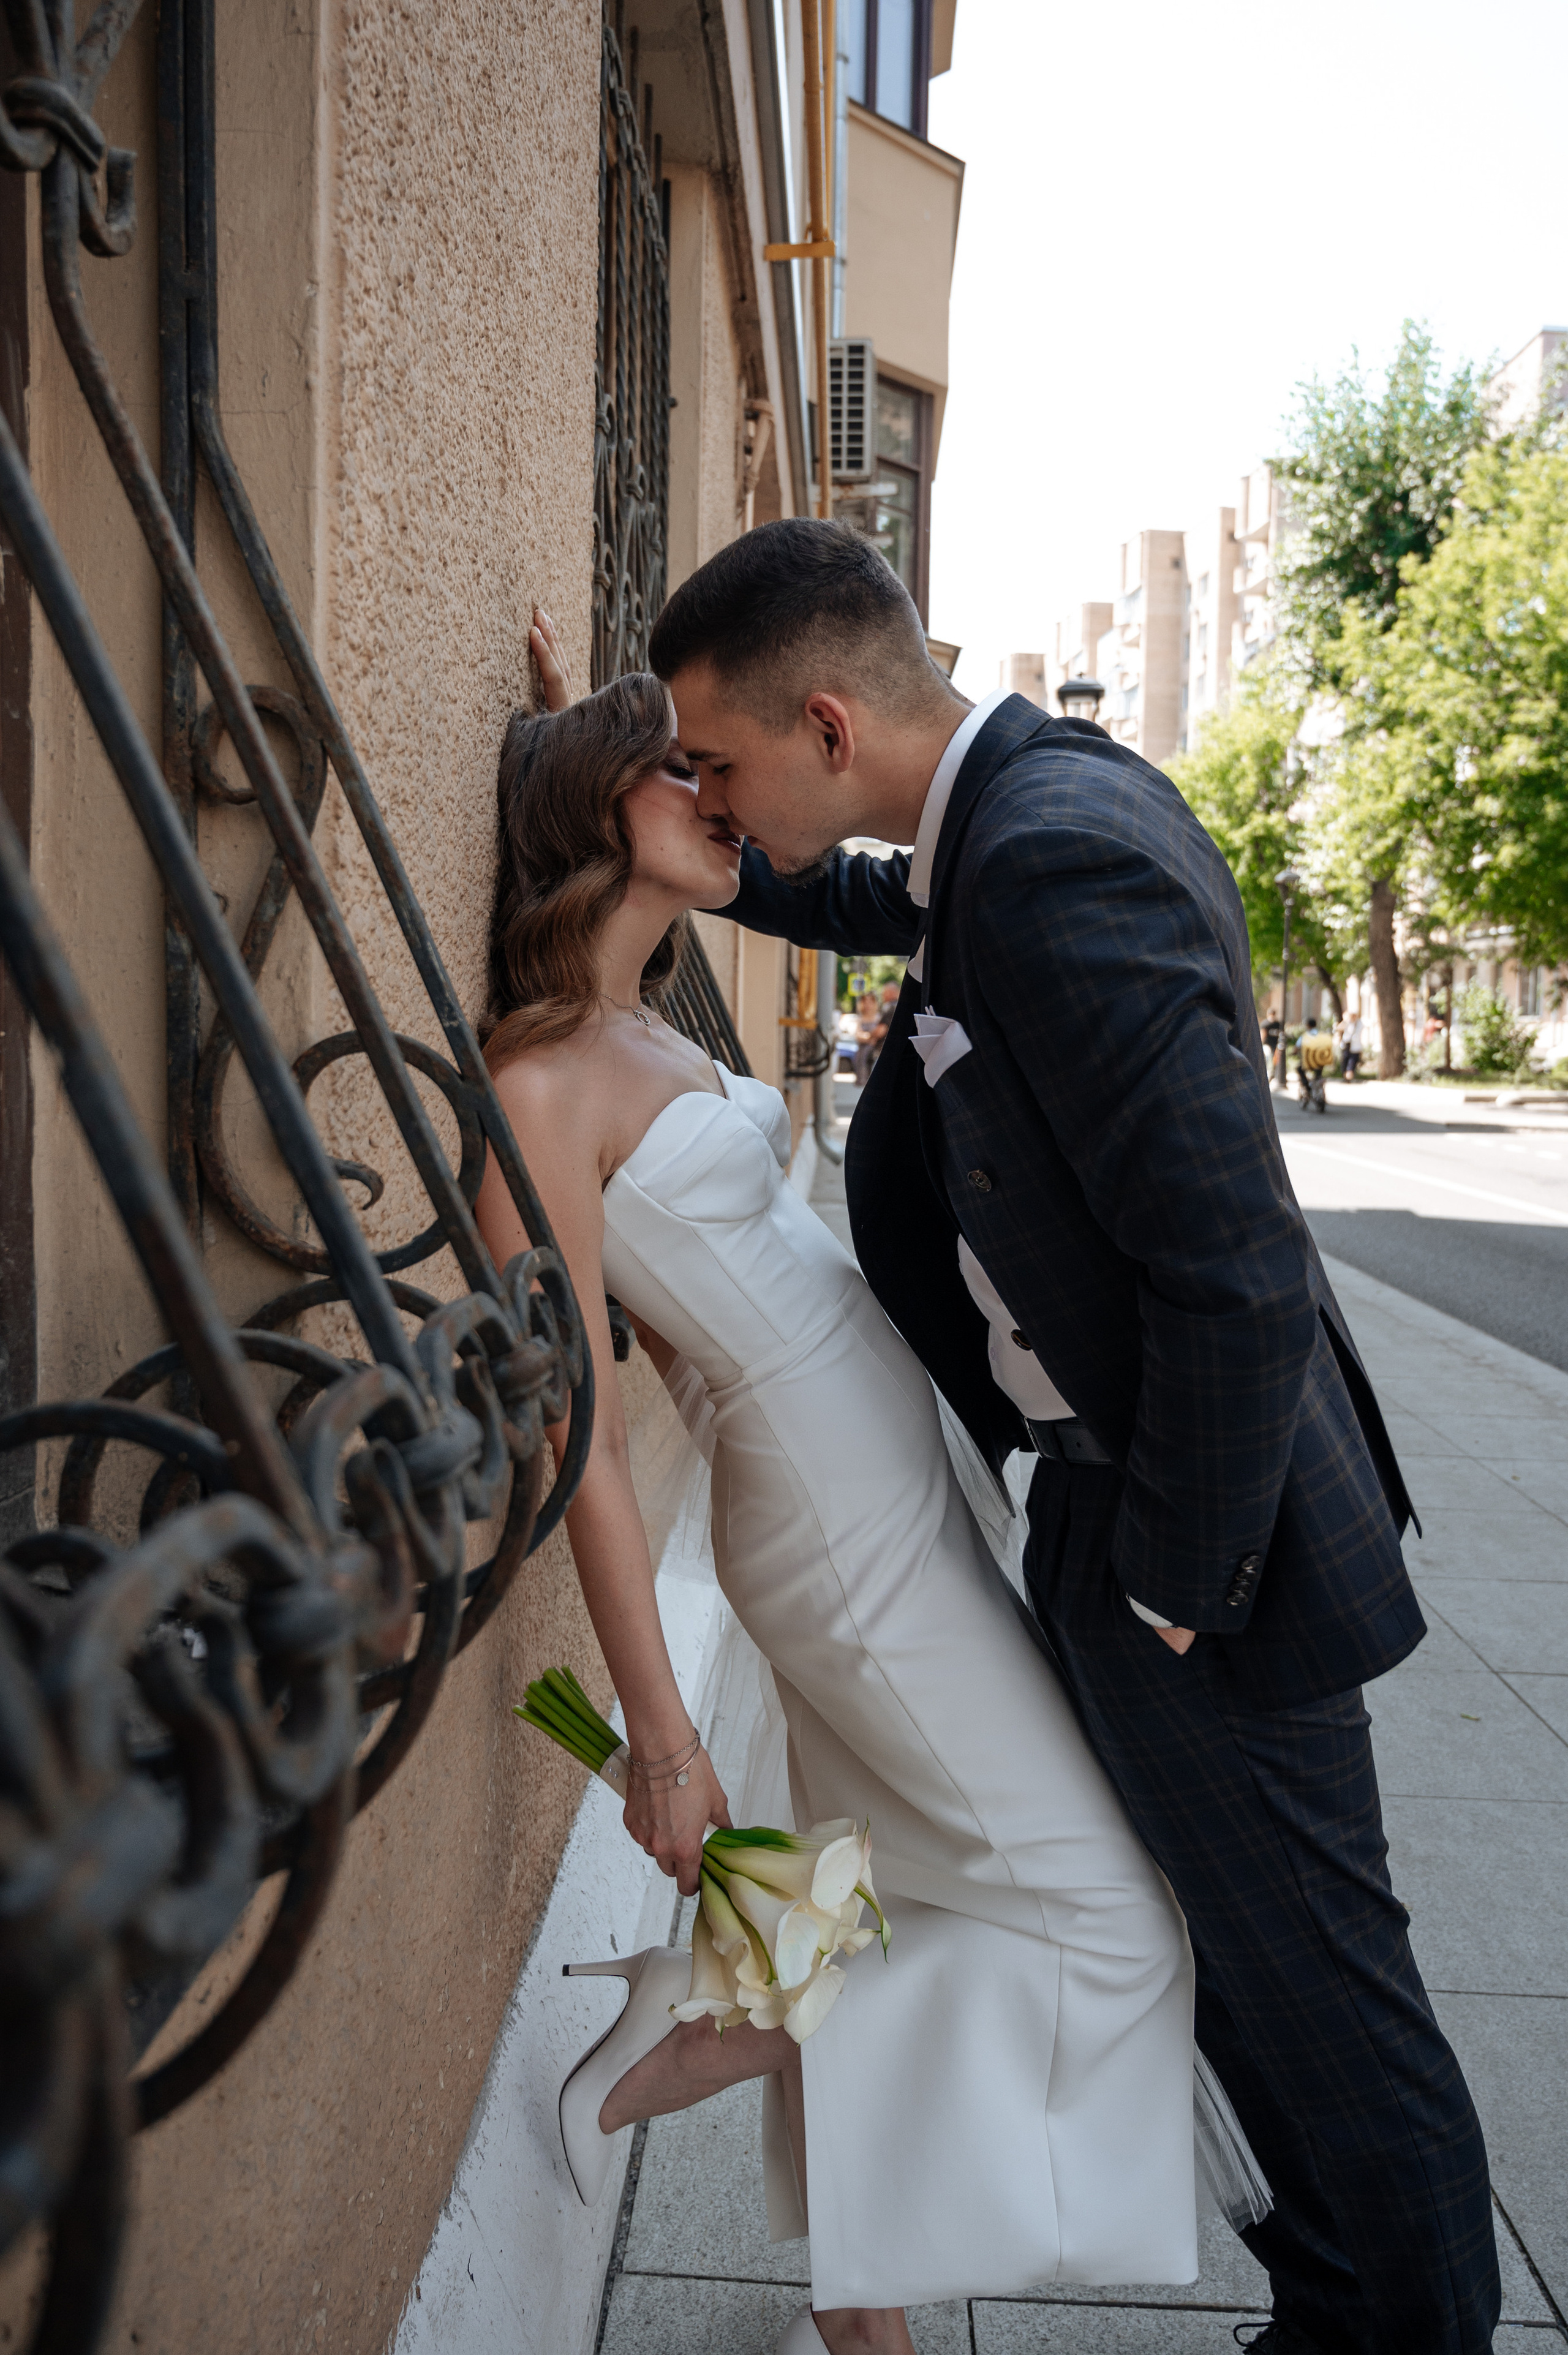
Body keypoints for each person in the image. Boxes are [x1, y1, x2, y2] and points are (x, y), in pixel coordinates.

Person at [639, 520, 1499, 2355]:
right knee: (1258, 1985)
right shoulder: (1006, 811)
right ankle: (1342, 2300)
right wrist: (646, 806)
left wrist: (1173, 1585)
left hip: (1202, 1541)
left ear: (820, 721)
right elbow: (861, 903)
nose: (709, 795)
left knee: (1313, 1995)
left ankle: (1394, 2319)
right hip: (1126, 1508)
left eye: (718, 763)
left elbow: (1238, 1272)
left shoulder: (1044, 861)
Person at [478, 636, 1242, 2355]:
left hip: (885, 1480)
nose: (718, 789)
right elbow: (580, 1428)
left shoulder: (648, 1021)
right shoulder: (538, 1083)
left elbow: (837, 905)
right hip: (834, 1526)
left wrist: (588, 717)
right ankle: (691, 2036)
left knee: (863, 1890)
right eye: (678, 764)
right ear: (598, 805)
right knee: (1101, 1917)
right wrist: (661, 1735)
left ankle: (859, 2312)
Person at [1340, 1011, 1365, 1080]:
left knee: (1352, 1064)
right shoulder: (1347, 1023)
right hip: (1346, 1046)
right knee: (1345, 1063)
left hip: (1355, 1047)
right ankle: (1346, 1078)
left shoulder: (1359, 1023)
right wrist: (1345, 1020)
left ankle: (1349, 1077)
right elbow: (1339, 1028)